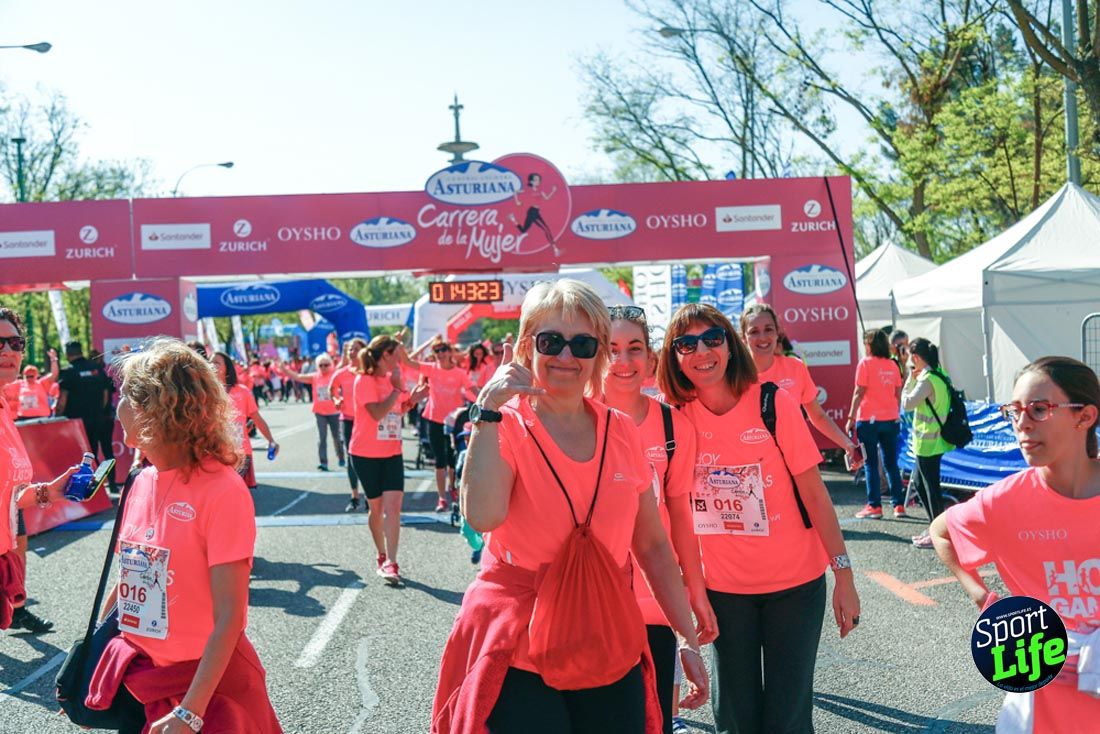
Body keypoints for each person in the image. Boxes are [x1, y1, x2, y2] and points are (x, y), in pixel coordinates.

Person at [433, 279, 708, 734]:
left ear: (598, 353)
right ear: (526, 346)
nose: (566, 356)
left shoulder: (621, 430)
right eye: (551, 341)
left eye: (582, 343)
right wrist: (485, 411)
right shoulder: (504, 423)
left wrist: (686, 638)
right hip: (519, 647)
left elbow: (654, 547)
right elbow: (482, 516)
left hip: (606, 637)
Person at [659, 303, 860, 734]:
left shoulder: (773, 402)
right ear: (674, 356)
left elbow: (815, 493)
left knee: (787, 720)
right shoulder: (675, 420)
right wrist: (693, 592)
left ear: (731, 344)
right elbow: (679, 516)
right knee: (735, 720)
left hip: (796, 587)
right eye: (686, 343)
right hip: (724, 593)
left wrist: (844, 575)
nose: (702, 351)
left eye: (713, 338)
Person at [88, 338, 281, 732]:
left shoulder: (223, 490)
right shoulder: (140, 481)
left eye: (125, 393)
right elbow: (129, 580)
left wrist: (189, 712)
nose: (117, 402)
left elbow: (231, 617)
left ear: (155, 408)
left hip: (210, 691)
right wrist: (90, 664)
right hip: (143, 678)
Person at [930, 356, 1100, 732]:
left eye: (1039, 410)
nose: (1022, 424)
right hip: (1044, 704)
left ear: (1084, 416)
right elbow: (941, 532)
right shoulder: (1002, 503)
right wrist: (983, 598)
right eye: (1015, 411)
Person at [601, 304, 718, 734]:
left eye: (634, 348)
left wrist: (694, 594)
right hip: (595, 604)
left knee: (657, 720)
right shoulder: (575, 419)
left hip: (657, 603)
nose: (623, 361)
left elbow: (681, 519)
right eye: (611, 349)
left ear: (650, 360)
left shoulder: (674, 427)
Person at [0, 308, 79, 633]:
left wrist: (56, 490)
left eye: (15, 343)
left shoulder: (4, 405)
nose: (7, 351)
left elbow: (12, 496)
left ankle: (17, 608)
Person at [740, 305, 862, 468]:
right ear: (743, 337)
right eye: (754, 331)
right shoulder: (735, 375)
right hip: (754, 465)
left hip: (799, 461)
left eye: (768, 329)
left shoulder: (795, 367)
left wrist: (847, 444)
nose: (762, 337)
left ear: (777, 333)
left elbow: (817, 416)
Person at [349, 336, 427, 585]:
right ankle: (380, 553)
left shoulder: (394, 378)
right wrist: (396, 390)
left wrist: (412, 400)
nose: (401, 359)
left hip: (392, 451)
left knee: (393, 509)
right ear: (386, 355)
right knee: (377, 509)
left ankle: (391, 562)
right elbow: (376, 413)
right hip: (365, 454)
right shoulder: (364, 380)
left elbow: (395, 411)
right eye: (398, 355)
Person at [398, 338, 478, 512]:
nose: (440, 354)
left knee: (452, 459)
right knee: (439, 461)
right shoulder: (431, 369)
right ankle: (442, 498)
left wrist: (486, 400)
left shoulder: (459, 373)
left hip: (453, 421)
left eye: (443, 350)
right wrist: (401, 343)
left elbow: (472, 389)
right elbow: (406, 361)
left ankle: (453, 488)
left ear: (450, 352)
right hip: (434, 419)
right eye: (437, 351)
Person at [847, 328, 905, 519]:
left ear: (869, 344)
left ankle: (874, 506)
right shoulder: (892, 365)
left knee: (871, 463)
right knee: (891, 463)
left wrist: (850, 418)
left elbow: (859, 392)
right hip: (891, 419)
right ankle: (899, 506)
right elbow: (898, 392)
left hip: (868, 421)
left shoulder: (865, 364)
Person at [902, 337, 954, 548]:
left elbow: (907, 403)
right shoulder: (941, 374)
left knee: (930, 489)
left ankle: (939, 532)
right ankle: (934, 526)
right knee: (919, 485)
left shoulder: (926, 380)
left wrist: (909, 379)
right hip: (935, 440)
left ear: (915, 357)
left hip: (927, 442)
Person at [212, 351, 277, 491]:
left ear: (227, 368)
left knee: (236, 491)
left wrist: (271, 440)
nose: (212, 365)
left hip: (240, 453)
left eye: (217, 363)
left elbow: (257, 419)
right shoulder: (207, 392)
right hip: (216, 453)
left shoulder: (242, 391)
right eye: (210, 362)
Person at [58, 340, 116, 490]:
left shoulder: (69, 371)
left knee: (89, 454)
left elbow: (63, 398)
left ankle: (96, 488)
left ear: (67, 354)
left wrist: (57, 415)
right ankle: (113, 485)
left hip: (80, 422)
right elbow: (105, 392)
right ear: (81, 352)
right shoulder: (96, 368)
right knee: (107, 450)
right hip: (101, 418)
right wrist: (102, 411)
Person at [284, 354, 345, 471]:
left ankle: (341, 457)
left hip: (335, 412)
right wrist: (284, 369)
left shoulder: (335, 375)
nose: (323, 367)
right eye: (320, 365)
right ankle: (323, 462)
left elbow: (344, 364)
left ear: (331, 365)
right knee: (321, 438)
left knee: (337, 437)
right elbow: (297, 376)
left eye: (326, 365)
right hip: (320, 412)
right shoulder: (315, 377)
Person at [332, 338, 368, 512]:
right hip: (347, 419)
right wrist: (337, 398)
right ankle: (355, 496)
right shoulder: (342, 373)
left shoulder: (369, 372)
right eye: (350, 349)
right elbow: (332, 388)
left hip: (367, 419)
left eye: (355, 349)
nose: (351, 352)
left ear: (363, 351)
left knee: (368, 457)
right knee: (351, 458)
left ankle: (370, 496)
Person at [508, 172, 560, 257]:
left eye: (539, 180)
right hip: (532, 212)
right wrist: (517, 201)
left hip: (536, 212)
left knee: (527, 230)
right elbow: (515, 192)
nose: (538, 181)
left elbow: (546, 198)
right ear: (531, 181)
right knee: (544, 229)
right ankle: (555, 248)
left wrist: (553, 191)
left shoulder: (540, 190)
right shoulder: (527, 189)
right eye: (536, 180)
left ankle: (513, 219)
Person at [3, 349, 60, 420]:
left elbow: (54, 374)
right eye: (27, 376)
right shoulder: (19, 384)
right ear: (23, 376)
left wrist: (53, 359)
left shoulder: (42, 383)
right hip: (23, 418)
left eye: (31, 376)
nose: (29, 378)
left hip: (41, 418)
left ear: (36, 376)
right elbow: (4, 384)